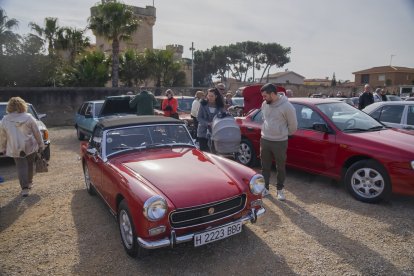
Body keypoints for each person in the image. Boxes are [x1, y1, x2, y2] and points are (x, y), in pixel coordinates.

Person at [260, 83, 298, 201]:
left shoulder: (287, 107)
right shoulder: (265, 104)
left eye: (265, 96)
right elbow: (264, 118)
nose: (263, 98)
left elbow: (293, 126)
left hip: (280, 142)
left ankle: (280, 190)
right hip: (265, 139)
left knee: (280, 167)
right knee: (264, 166)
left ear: (273, 94)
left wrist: (283, 134)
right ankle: (265, 188)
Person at [0, 97, 44, 197]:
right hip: (30, 145)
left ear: (9, 107)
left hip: (15, 147)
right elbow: (37, 132)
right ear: (22, 105)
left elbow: (2, 136)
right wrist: (41, 144)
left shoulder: (5, 120)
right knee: (29, 164)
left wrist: (2, 148)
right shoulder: (29, 117)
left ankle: (24, 188)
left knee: (20, 167)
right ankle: (29, 182)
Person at [197, 88, 226, 152]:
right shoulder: (203, 104)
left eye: (212, 96)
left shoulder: (220, 106)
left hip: (216, 133)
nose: (210, 97)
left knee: (214, 153)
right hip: (203, 132)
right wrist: (208, 123)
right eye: (208, 95)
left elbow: (223, 117)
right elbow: (199, 117)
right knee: (204, 152)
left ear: (216, 96)